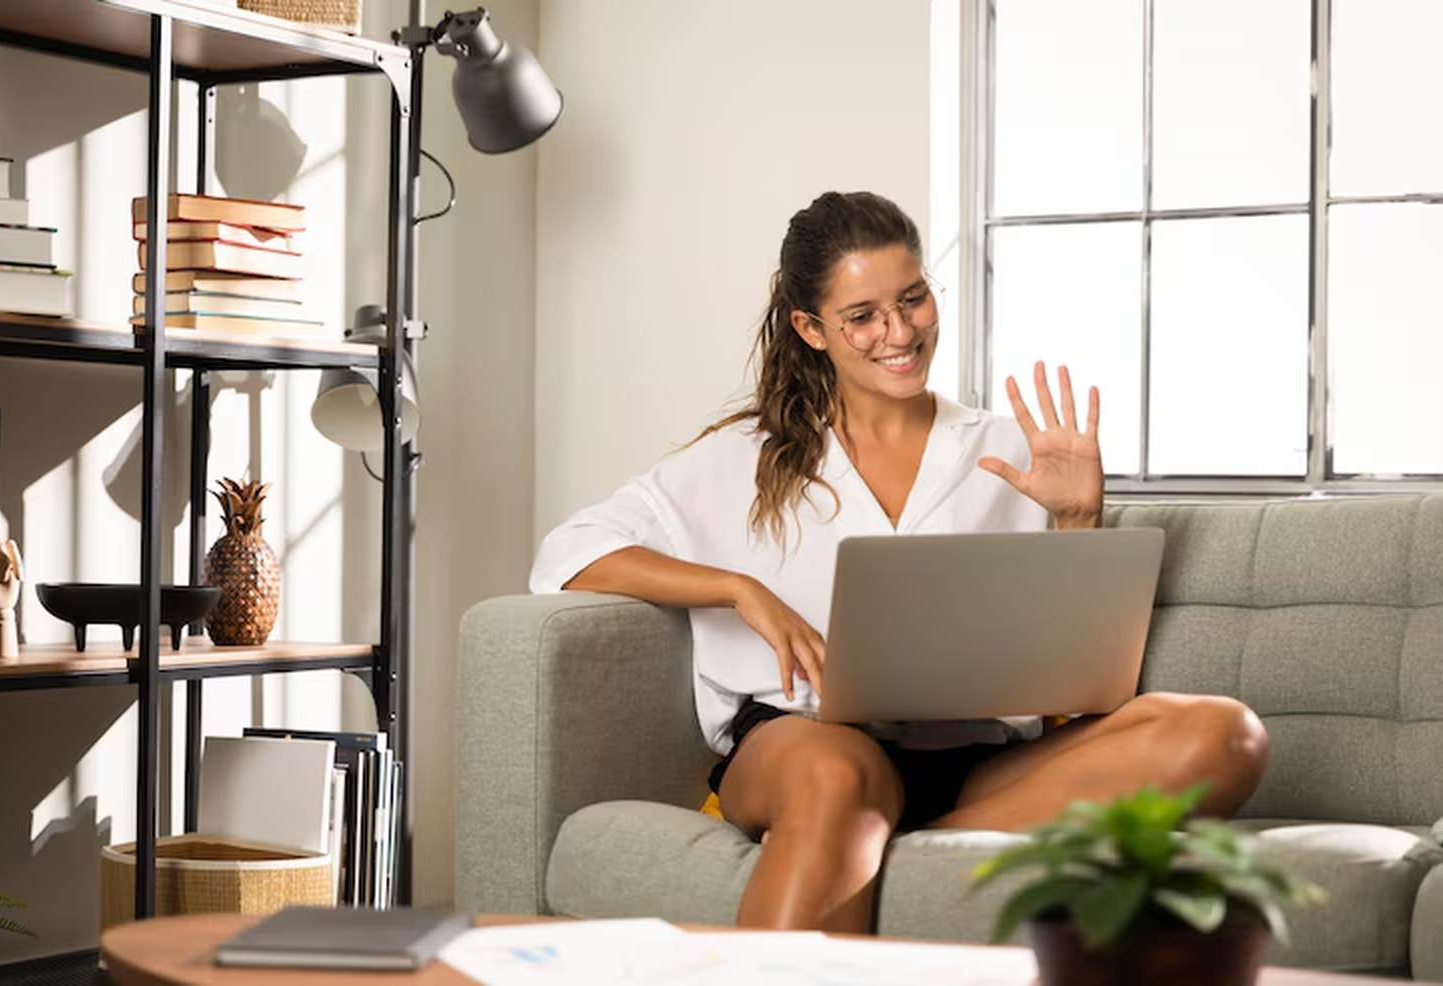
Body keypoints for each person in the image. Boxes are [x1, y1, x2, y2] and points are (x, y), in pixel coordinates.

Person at [528, 191, 1269, 933]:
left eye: (912, 300)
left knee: (1224, 732)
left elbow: (1080, 685)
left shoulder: (1011, 451)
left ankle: (886, 849)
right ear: (810, 329)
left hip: (976, 762)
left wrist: (1077, 519)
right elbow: (567, 553)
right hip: (804, 745)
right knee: (840, 774)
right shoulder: (742, 459)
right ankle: (858, 830)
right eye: (863, 316)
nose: (900, 332)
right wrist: (735, 588)